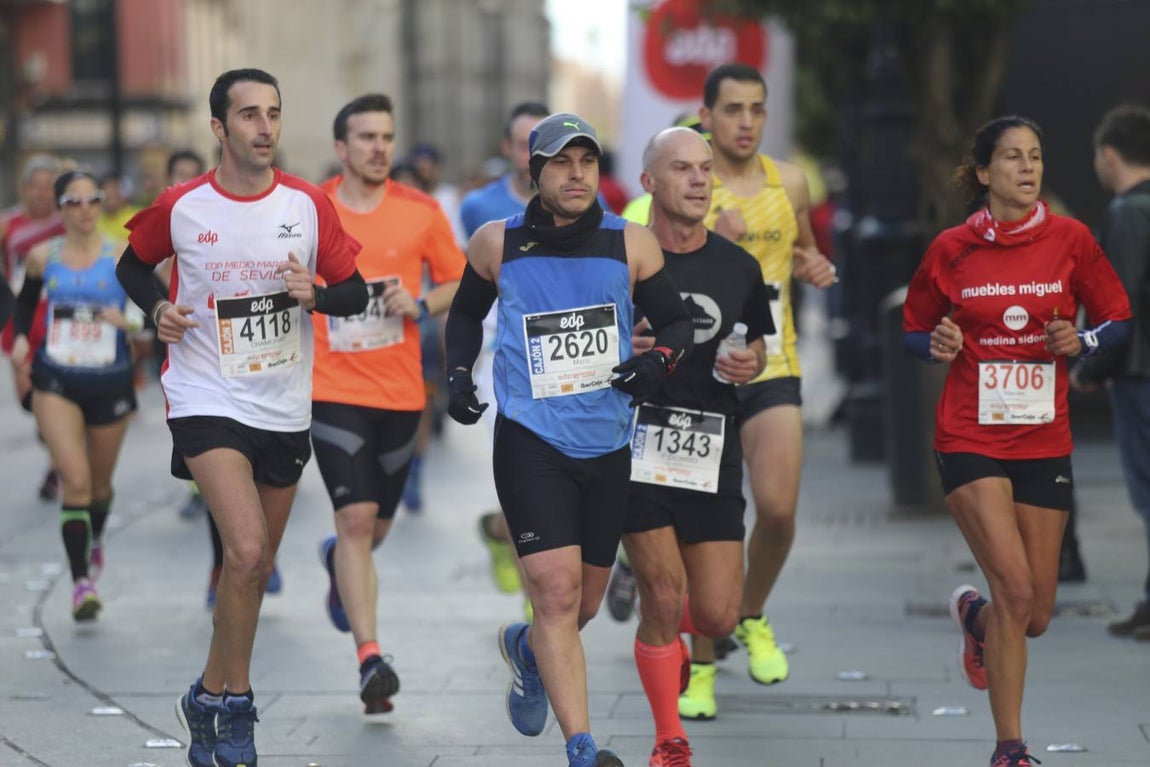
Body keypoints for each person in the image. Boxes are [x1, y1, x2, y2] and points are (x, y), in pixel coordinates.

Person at [116, 68, 367, 767]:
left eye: (274, 114)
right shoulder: (184, 204)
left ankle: (206, 692)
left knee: (250, 566)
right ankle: (238, 703)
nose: (265, 127)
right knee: (248, 549)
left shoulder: (309, 203)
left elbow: (354, 292)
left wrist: (314, 292)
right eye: (249, 115)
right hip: (205, 396)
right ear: (220, 129)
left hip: (283, 403)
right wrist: (157, 308)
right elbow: (131, 269)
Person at [444, 112, 693, 767]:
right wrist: (455, 375)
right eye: (561, 161)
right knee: (553, 594)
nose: (576, 173)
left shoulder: (632, 243)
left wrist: (656, 362)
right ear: (536, 172)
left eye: (586, 160)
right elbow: (467, 311)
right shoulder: (496, 242)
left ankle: (528, 649)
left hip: (607, 441)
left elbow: (677, 322)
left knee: (579, 604)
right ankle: (582, 747)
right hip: (530, 438)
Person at [903, 115, 1131, 767]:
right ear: (983, 173)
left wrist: (1079, 341)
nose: (1027, 168)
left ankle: (976, 621)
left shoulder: (1071, 238)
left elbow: (1116, 318)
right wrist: (938, 342)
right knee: (1015, 586)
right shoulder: (952, 247)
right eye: (1011, 158)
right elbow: (914, 328)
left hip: (1042, 435)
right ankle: (1010, 748)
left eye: (1035, 156)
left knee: (1034, 613)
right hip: (970, 431)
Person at [674, 62, 837, 719]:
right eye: (733, 109)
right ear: (706, 115)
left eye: (757, 109)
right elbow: (659, 259)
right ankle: (701, 670)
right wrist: (717, 241)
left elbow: (806, 249)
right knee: (704, 527)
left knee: (776, 509)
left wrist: (813, 263)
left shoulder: (788, 180)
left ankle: (750, 612)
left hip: (772, 361)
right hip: (698, 375)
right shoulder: (690, 179)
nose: (746, 122)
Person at [623, 127, 772, 765]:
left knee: (715, 613)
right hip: (636, 441)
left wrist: (751, 363)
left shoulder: (737, 264)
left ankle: (676, 639)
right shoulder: (620, 258)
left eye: (706, 169)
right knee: (661, 593)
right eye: (681, 168)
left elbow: (757, 343)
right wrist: (619, 347)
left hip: (711, 446)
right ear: (649, 182)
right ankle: (669, 738)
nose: (699, 179)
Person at [312, 93, 465, 714]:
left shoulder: (421, 212)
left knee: (373, 529)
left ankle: (338, 571)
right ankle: (370, 656)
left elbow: (459, 279)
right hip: (332, 387)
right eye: (367, 137)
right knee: (354, 521)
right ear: (341, 148)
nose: (379, 148)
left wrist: (422, 305)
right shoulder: (309, 208)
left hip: (401, 392)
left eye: (387, 137)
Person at [10, 168, 139, 621]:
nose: (84, 210)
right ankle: (81, 581)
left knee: (100, 486)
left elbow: (155, 306)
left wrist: (132, 324)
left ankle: (95, 538)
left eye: (92, 200)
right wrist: (23, 338)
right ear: (60, 208)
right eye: (74, 202)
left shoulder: (123, 255)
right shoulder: (42, 257)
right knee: (76, 480)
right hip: (56, 379)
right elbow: (24, 304)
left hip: (111, 381)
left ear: (102, 204)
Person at [459, 100, 550, 598]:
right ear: (508, 149)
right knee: (527, 482)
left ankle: (499, 530)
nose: (535, 153)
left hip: (563, 362)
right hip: (501, 360)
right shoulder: (478, 209)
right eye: (524, 144)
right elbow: (465, 290)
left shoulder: (584, 207)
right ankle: (538, 621)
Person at [1073, 105, 1150, 639]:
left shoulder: (1127, 214)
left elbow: (1115, 301)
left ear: (1109, 155)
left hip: (1141, 374)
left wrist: (1090, 365)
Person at [2, 154, 67, 501]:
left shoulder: (67, 220)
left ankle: (58, 465)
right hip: (21, 316)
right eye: (34, 186)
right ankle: (57, 440)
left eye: (47, 187)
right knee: (29, 399)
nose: (40, 194)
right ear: (24, 188)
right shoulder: (8, 224)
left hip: (59, 314)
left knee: (55, 393)